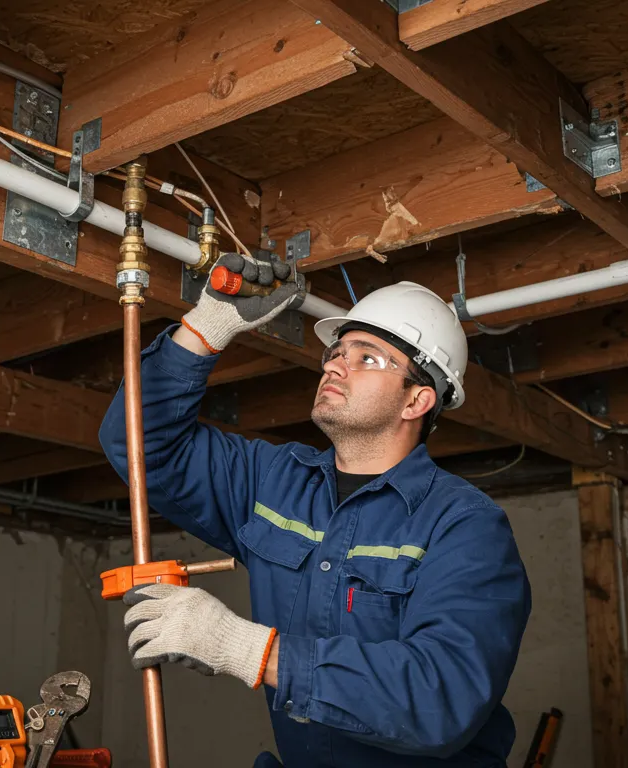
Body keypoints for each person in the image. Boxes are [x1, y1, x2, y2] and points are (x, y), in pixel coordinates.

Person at [99, 253, 532, 767]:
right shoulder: (275, 482)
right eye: (336, 351)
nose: (335, 364)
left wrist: (243, 646)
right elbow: (140, 447)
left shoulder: (463, 525)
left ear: (416, 401)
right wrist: (206, 327)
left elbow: (441, 697)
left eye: (367, 357)